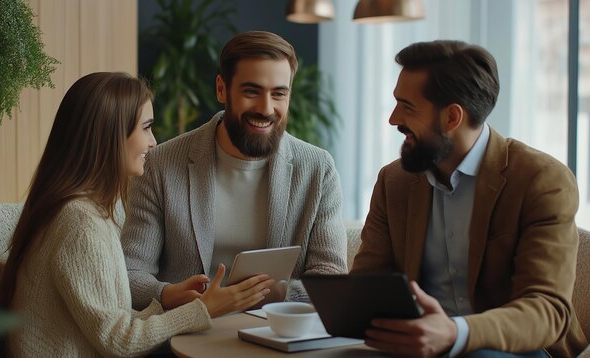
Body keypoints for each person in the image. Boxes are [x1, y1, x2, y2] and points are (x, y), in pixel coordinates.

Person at [0, 72, 273, 357]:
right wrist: (202, 310)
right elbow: (119, 342)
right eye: (146, 128)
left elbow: (109, 322)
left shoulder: (78, 209)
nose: (154, 142)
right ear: (109, 135)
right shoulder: (80, 225)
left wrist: (167, 301)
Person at [351, 40, 587, 357]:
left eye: (407, 107)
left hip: (514, 348)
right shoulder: (394, 181)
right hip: (418, 347)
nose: (393, 119)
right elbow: (367, 286)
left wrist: (455, 332)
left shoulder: (542, 180)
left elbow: (547, 311)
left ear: (451, 118)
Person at [121, 30, 348, 311]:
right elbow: (129, 276)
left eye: (279, 94)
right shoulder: (161, 165)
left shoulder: (318, 169)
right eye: (251, 91)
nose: (266, 108)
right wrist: (172, 295)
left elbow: (331, 280)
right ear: (221, 89)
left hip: (278, 338)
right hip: (187, 337)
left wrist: (262, 295)